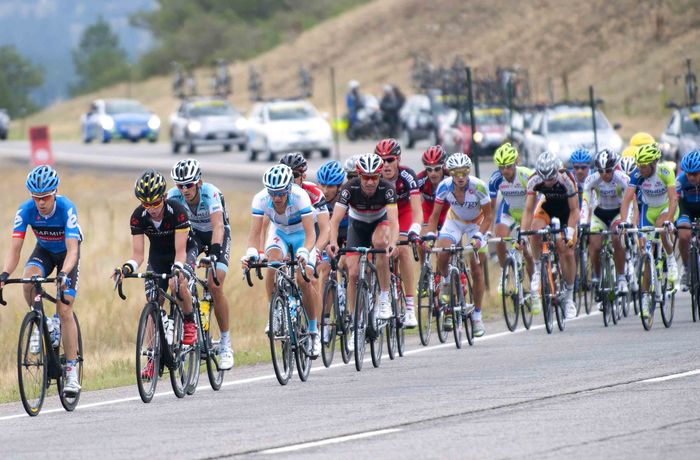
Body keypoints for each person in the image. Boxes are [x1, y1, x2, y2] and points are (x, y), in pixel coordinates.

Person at [0, 165, 82, 396]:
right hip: (44, 251)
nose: (41, 202)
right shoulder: (25, 210)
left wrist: (64, 273)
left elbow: (73, 250)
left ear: (54, 192)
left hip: (67, 255)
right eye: (36, 198)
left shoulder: (66, 208)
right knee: (28, 280)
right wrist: (4, 274)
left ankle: (72, 373)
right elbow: (15, 249)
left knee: (65, 310)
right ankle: (41, 321)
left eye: (45, 197)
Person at [116, 169, 197, 380]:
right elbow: (138, 255)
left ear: (163, 197)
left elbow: (180, 252)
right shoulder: (138, 217)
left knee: (176, 284)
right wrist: (126, 268)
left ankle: (189, 322)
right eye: (145, 204)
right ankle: (152, 360)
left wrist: (178, 269)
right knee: (152, 302)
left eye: (155, 203)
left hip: (183, 252)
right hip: (157, 258)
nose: (150, 208)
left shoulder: (177, 211)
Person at [242, 165, 322, 358]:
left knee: (304, 280)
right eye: (273, 193)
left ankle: (313, 332)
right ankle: (275, 311)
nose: (277, 198)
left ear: (288, 189)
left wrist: (304, 250)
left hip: (302, 234)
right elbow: (254, 234)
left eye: (281, 193)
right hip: (279, 233)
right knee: (273, 263)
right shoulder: (260, 199)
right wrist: (252, 253)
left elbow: (311, 234)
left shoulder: (300, 196)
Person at [326, 153, 399, 351]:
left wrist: (393, 242)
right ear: (358, 175)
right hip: (357, 225)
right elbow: (333, 220)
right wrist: (333, 243)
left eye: (373, 177)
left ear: (379, 176)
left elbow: (393, 222)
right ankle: (356, 325)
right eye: (365, 177)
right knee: (353, 272)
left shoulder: (387, 189)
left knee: (380, 242)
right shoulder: (350, 189)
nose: (369, 182)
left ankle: (384, 296)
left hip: (379, 222)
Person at [167, 159, 234, 370]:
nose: (184, 190)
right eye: (180, 185)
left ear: (199, 182)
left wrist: (214, 253)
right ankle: (187, 332)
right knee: (180, 280)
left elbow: (218, 226)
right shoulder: (173, 196)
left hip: (217, 235)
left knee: (215, 284)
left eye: (189, 185)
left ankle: (225, 343)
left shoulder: (211, 193)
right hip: (193, 236)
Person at [425, 153, 492, 337]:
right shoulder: (444, 187)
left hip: (477, 223)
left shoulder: (479, 186)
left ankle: (477, 316)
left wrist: (479, 236)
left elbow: (489, 216)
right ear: (451, 173)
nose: (460, 177)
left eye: (464, 172)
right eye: (456, 173)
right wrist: (431, 236)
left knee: (477, 269)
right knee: (443, 251)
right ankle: (446, 281)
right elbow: (434, 217)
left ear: (468, 171)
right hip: (454, 221)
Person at [521, 152, 579, 319]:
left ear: (557, 170)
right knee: (534, 229)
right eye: (544, 178)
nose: (548, 182)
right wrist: (523, 234)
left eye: (551, 177)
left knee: (565, 250)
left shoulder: (567, 179)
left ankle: (569, 298)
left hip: (567, 212)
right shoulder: (534, 180)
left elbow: (575, 210)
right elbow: (528, 209)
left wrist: (569, 231)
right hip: (547, 207)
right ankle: (538, 269)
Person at [619, 143, 679, 297]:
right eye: (639, 165)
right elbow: (626, 200)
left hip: (666, 207)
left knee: (662, 225)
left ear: (654, 163)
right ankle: (645, 297)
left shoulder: (665, 172)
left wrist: (670, 220)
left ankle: (671, 260)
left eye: (644, 166)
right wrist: (623, 222)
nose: (641, 169)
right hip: (648, 210)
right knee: (646, 253)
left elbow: (673, 198)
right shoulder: (637, 174)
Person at [375, 138, 422, 328]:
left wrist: (415, 229)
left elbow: (417, 210)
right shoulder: (373, 176)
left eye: (390, 159)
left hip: (403, 213)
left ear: (398, 159)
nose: (385, 164)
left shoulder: (407, 176)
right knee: (376, 252)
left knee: (402, 250)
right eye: (381, 160)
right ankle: (378, 300)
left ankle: (410, 308)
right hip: (383, 216)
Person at [580, 149, 630, 298]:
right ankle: (598, 276)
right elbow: (585, 202)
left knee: (617, 238)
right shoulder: (591, 180)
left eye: (608, 170)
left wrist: (626, 221)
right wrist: (583, 222)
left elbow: (630, 203)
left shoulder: (623, 179)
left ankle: (621, 277)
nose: (604, 174)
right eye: (600, 171)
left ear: (614, 167)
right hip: (600, 213)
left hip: (617, 213)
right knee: (594, 246)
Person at [489, 142, 535, 293]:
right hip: (508, 210)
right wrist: (489, 229)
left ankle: (535, 283)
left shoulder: (526, 175)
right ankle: (505, 273)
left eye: (508, 166)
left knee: (527, 251)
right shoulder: (496, 178)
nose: (505, 170)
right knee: (500, 239)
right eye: (501, 167)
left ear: (516, 163)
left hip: (527, 211)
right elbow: (491, 207)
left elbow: (536, 201)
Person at [676, 150, 700, 290]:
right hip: (686, 209)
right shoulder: (680, 180)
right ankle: (686, 269)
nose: (691, 177)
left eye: (695, 174)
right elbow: (673, 200)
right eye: (688, 173)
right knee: (684, 236)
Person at [417, 145, 449, 232]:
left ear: (444, 166)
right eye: (429, 169)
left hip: (447, 212)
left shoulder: (451, 178)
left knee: (452, 242)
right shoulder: (420, 179)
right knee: (424, 240)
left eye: (437, 169)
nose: (433, 174)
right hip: (428, 212)